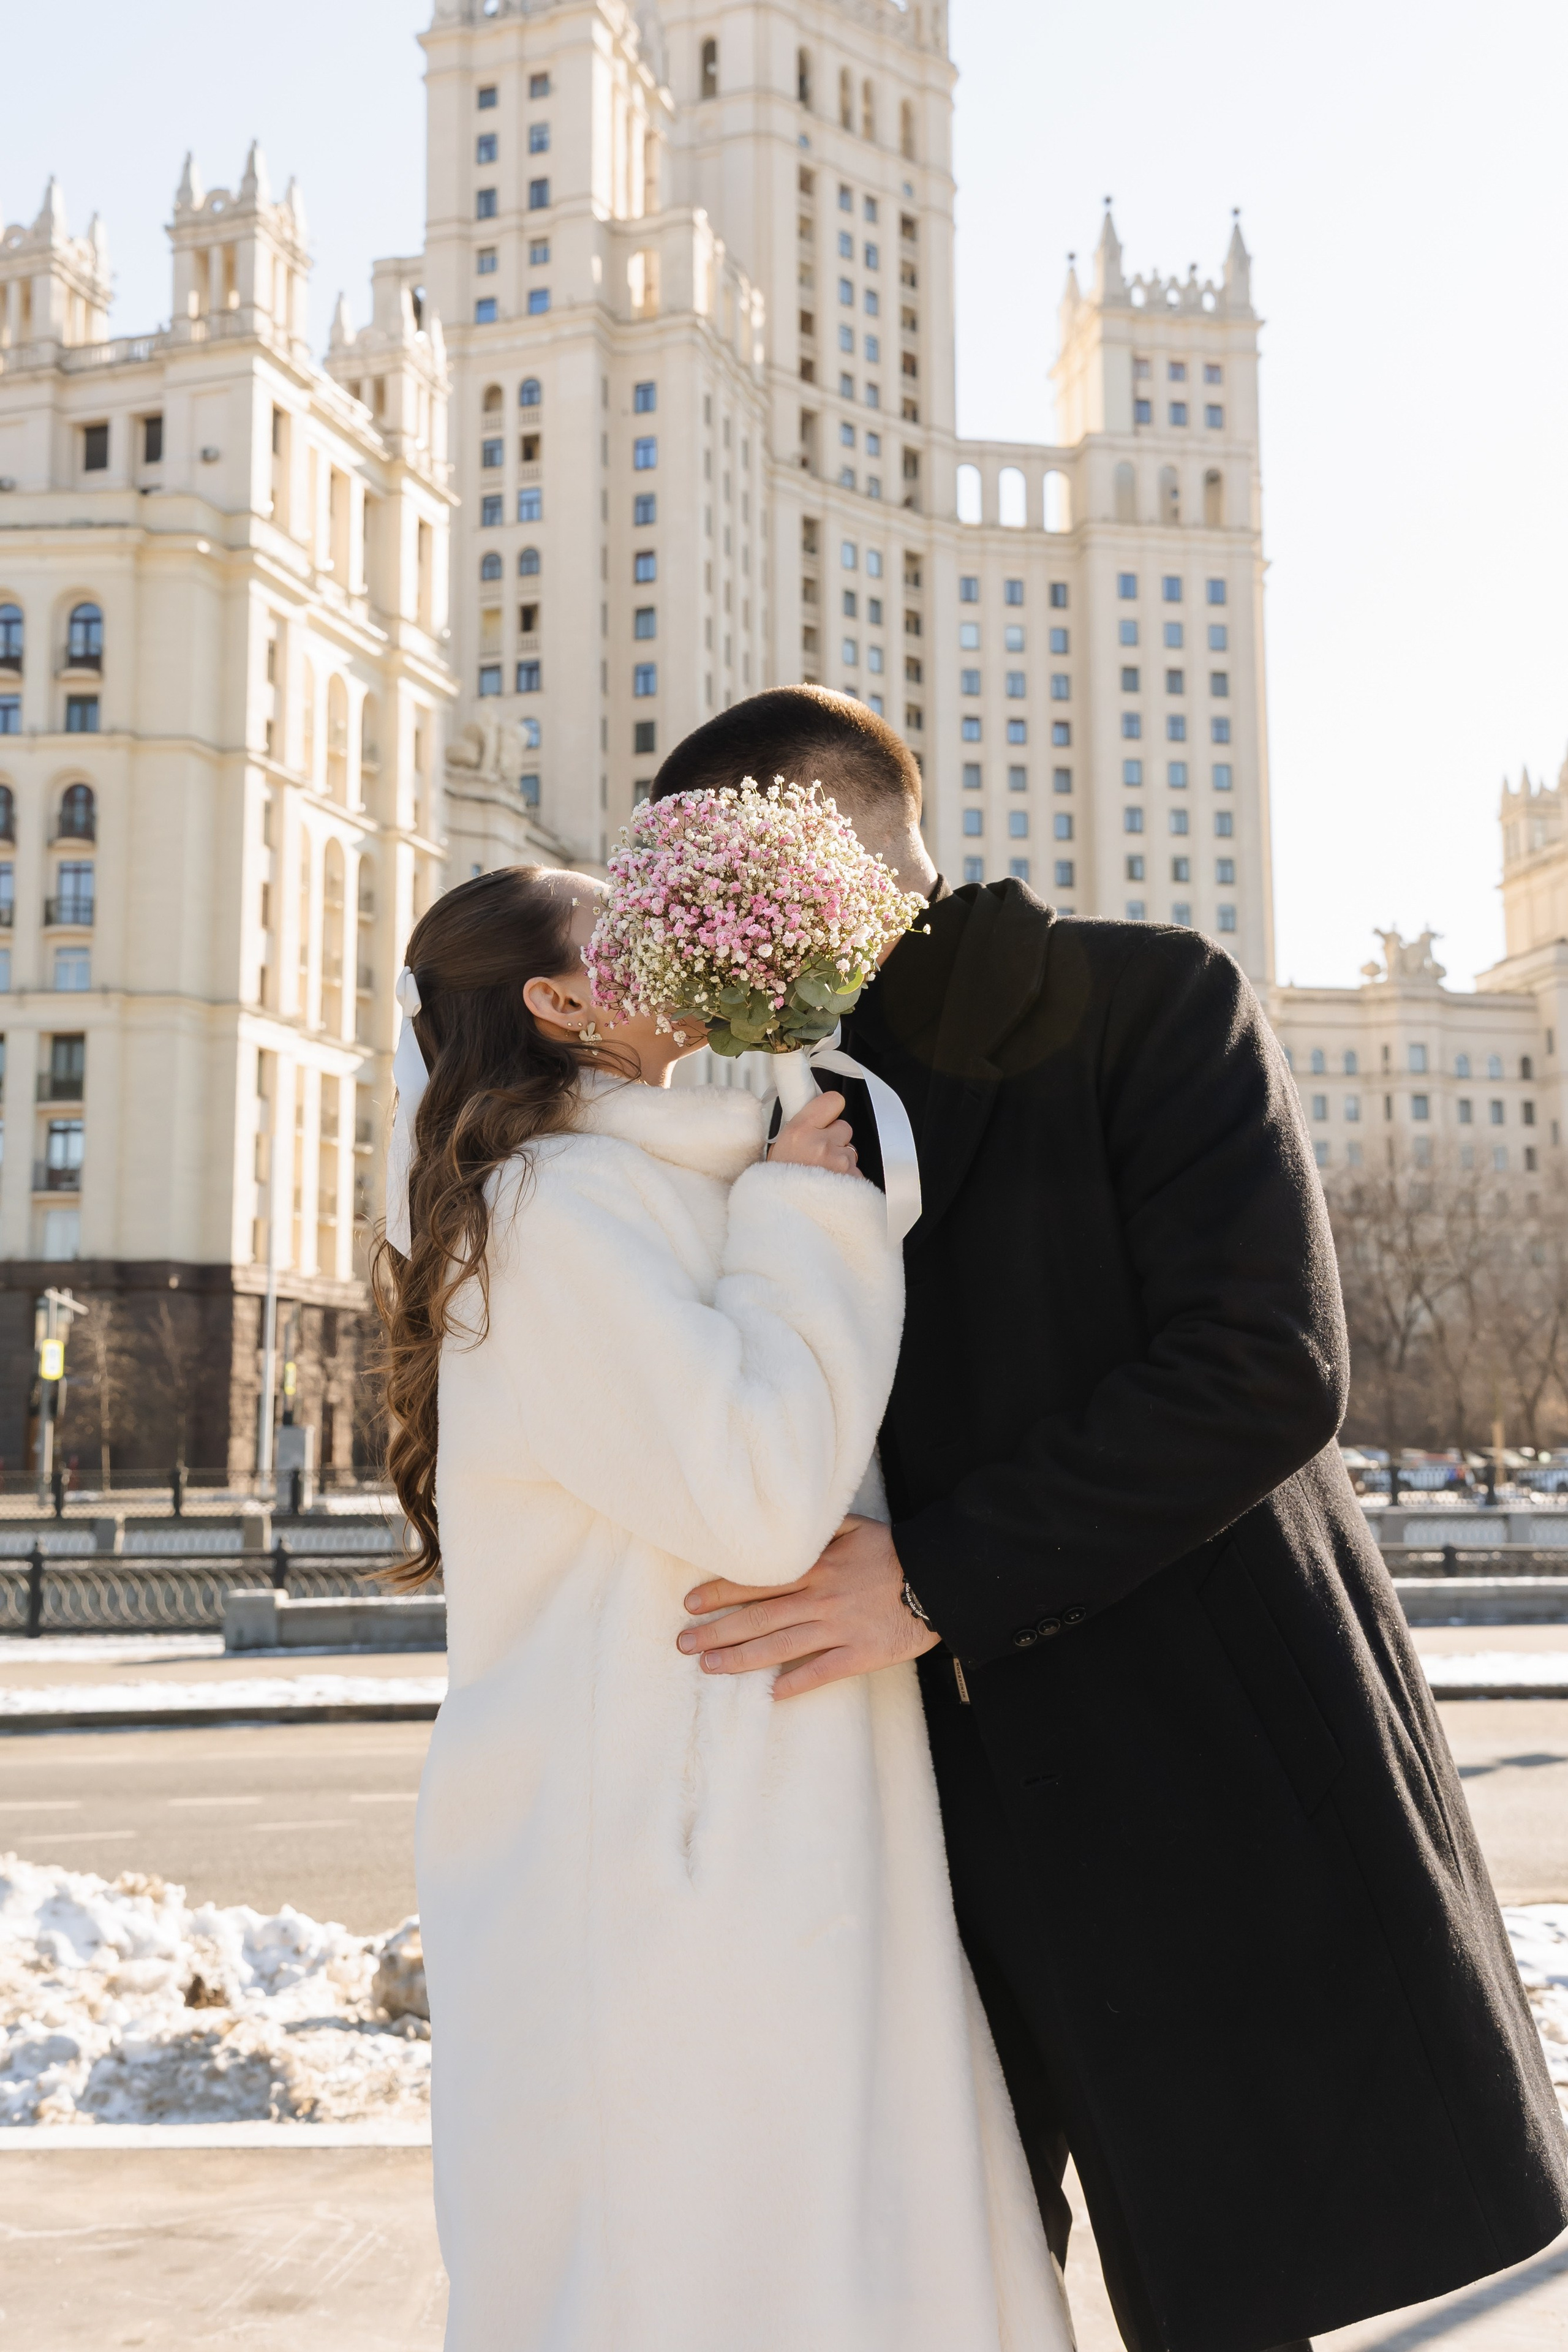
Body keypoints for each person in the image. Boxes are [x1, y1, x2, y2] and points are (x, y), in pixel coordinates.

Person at [655, 687, 1568, 2352]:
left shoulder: (1149, 996)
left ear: (843, 841)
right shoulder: (765, 1112)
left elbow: (1263, 1367)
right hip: (917, 1821)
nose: (695, 930)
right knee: (935, 2296)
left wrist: (933, 1579)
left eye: (713, 876)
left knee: (1249, 2295)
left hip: (1205, 1789)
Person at [372, 867, 1076, 2352]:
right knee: (701, 2273)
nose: (668, 932)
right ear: (560, 1004)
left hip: (751, 1831)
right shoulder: (551, 1211)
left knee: (812, 2259)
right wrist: (809, 1218)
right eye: (615, 924)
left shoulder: (649, 1182)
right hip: (662, 1858)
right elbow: (755, 1498)